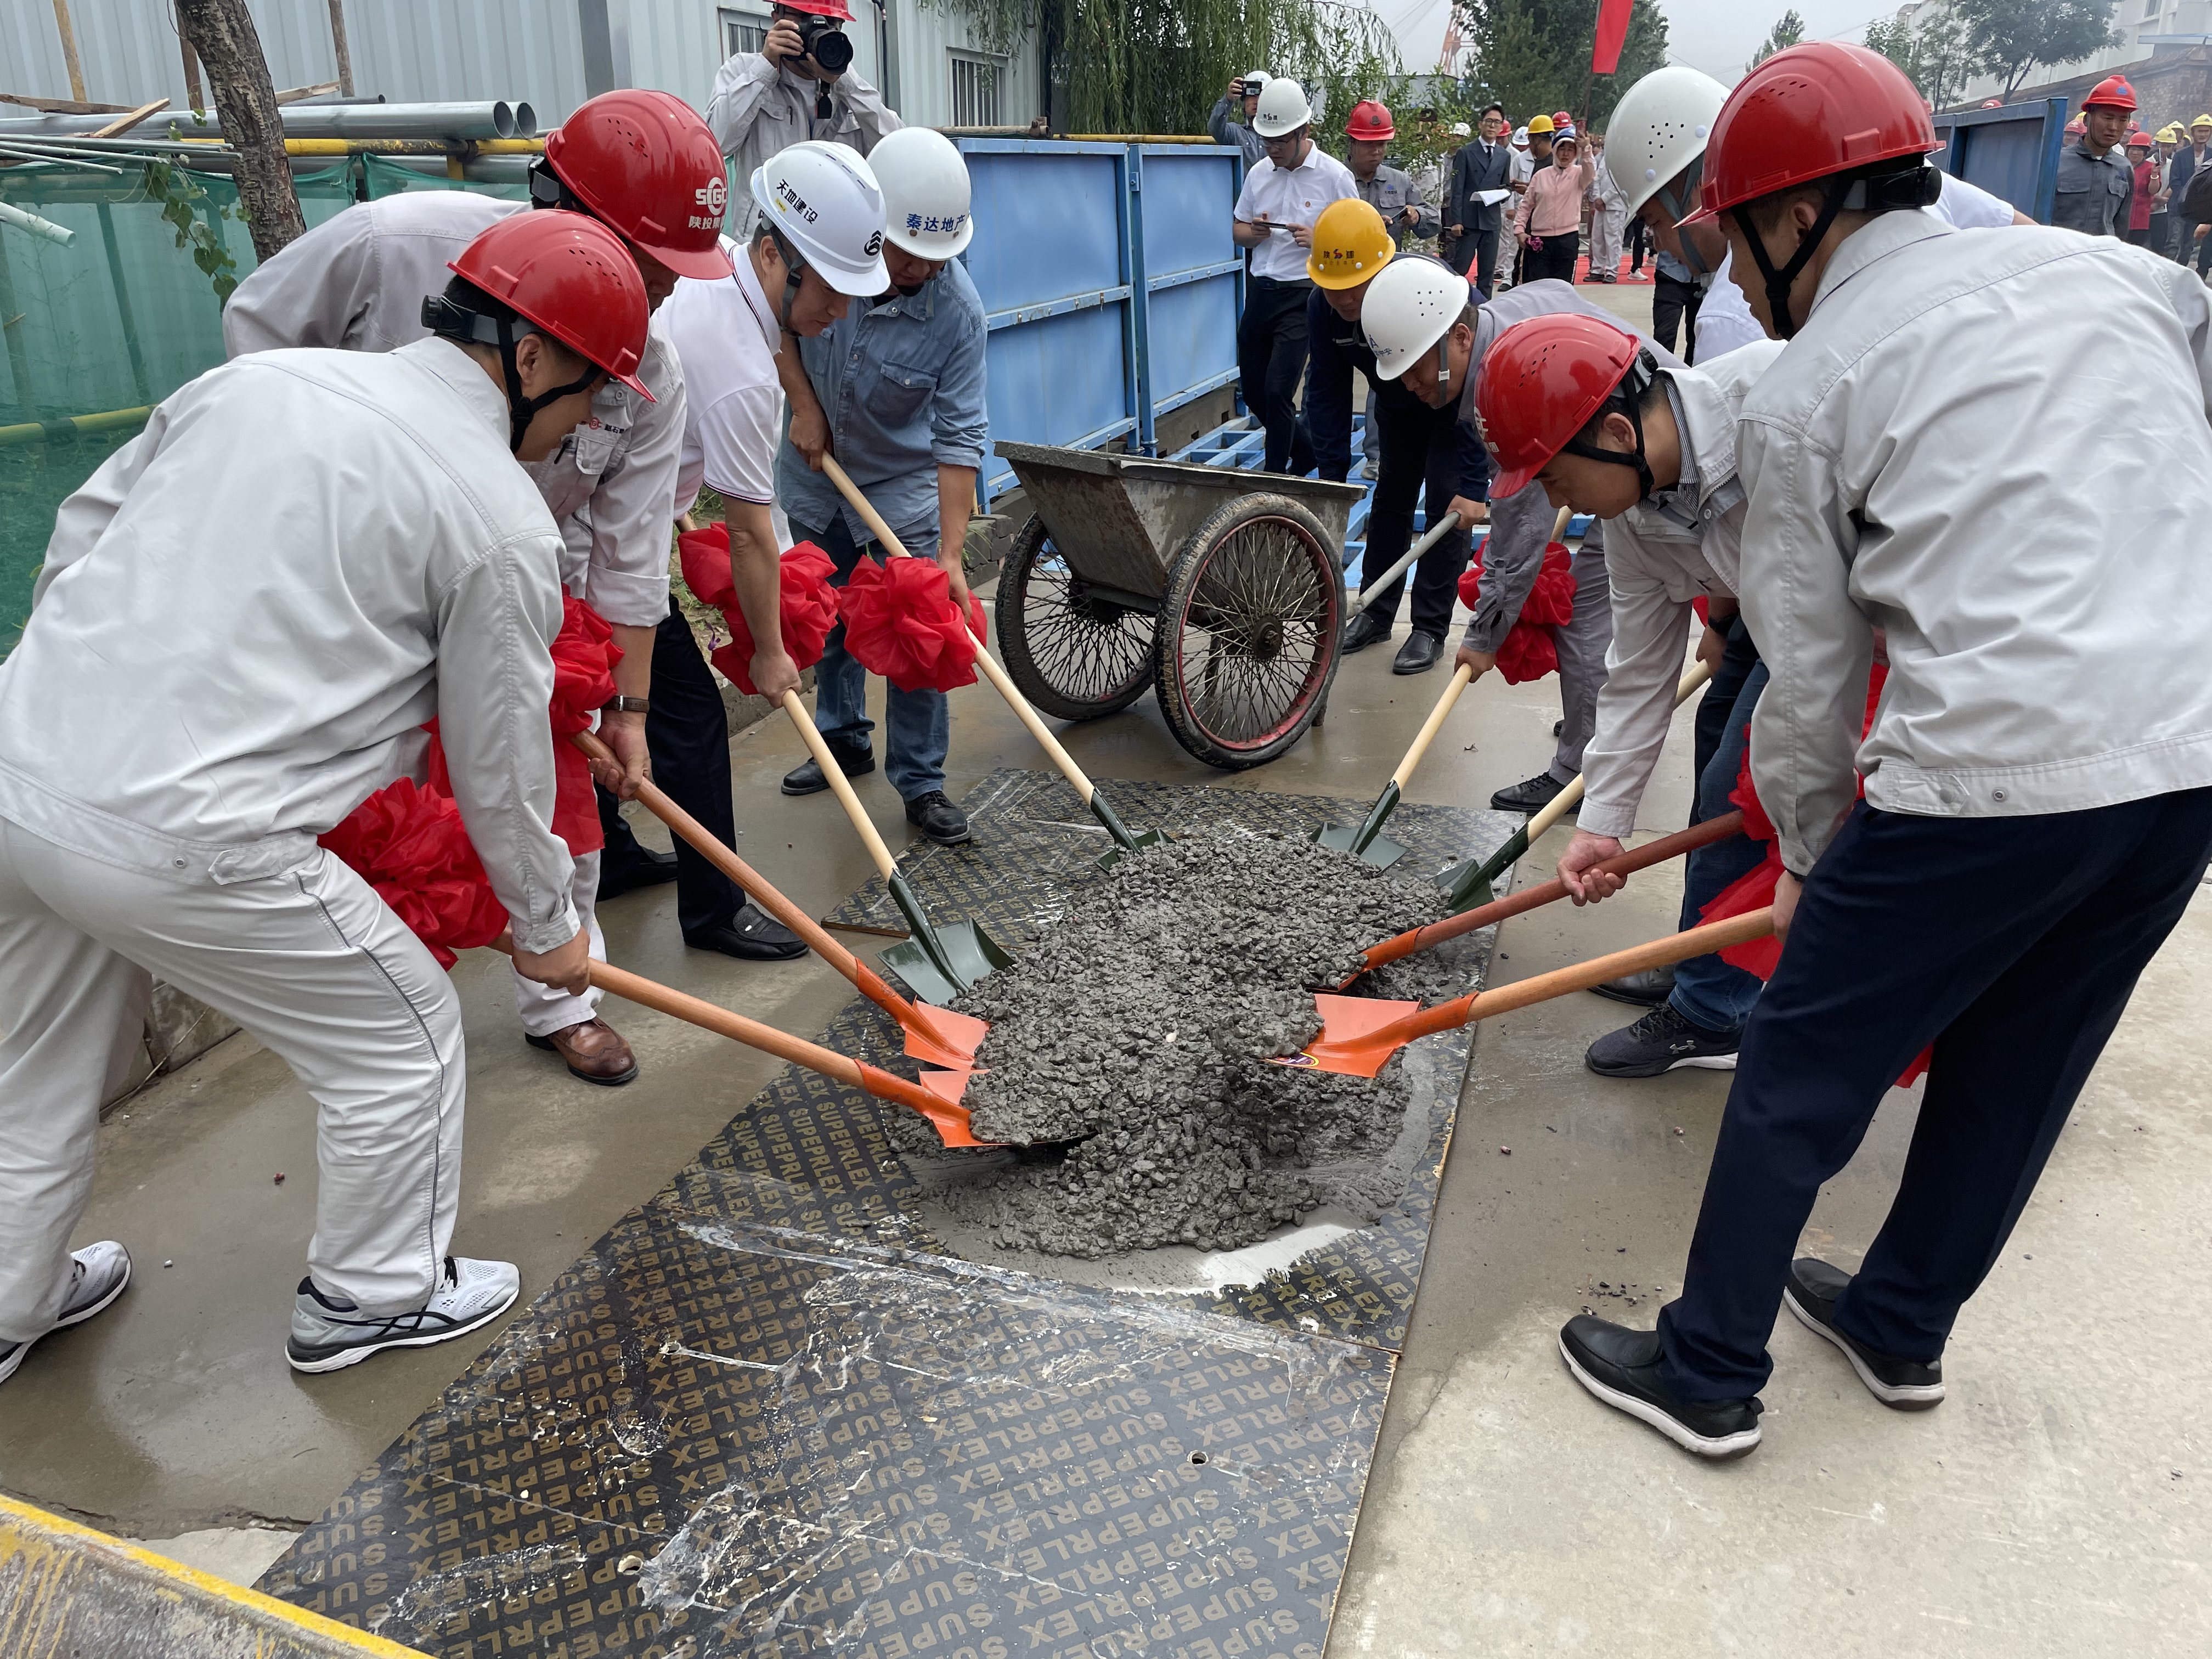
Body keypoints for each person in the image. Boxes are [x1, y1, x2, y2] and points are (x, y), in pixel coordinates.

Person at [1558, 41, 2212, 1462]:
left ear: (1803, 216)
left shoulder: (1810, 382)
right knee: (2018, 1057)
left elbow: (1808, 682)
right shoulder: (2116, 276)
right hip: (2181, 768)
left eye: (1732, 238)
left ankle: (1708, 1367)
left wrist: (1806, 856)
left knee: (1798, 1054)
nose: (1725, 280)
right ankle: (1903, 1322)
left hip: (1986, 768)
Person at [0, 212, 654, 1386]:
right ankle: (374, 1295)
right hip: (192, 828)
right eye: (592, 401)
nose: (580, 437)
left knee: (28, 1071)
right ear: (533, 357)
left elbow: (79, 538)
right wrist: (549, 930)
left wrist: (77, 710)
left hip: (20, 769)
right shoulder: (496, 517)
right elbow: (500, 770)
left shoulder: (257, 384)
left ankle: (8, 1300)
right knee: (400, 1037)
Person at [224, 92, 809, 1096]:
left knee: (557, 805)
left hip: (524, 595)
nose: (668, 295)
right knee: (377, 825)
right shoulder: (391, 247)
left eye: (677, 274)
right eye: (654, 269)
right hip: (352, 589)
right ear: (578, 226)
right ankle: (380, 1024)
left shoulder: (650, 376)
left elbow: (629, 559)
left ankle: (564, 998)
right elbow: (257, 349)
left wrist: (624, 709)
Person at [1476, 311, 1788, 1084]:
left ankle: (1714, 1012)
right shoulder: (1631, 520)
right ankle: (1700, 961)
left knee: (1738, 787)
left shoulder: (1783, 418)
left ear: (1616, 434)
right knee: (1719, 749)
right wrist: (1603, 825)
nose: (1562, 501)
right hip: (1759, 598)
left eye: (1554, 476)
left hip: (1854, 615)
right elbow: (1641, 673)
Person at [1362, 259, 1685, 812]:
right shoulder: (1503, 320)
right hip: (1638, 439)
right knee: (1604, 609)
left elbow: (1524, 529)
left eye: (1416, 368)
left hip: (1652, 462)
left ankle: (1578, 772)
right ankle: (1599, 727)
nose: (1410, 386)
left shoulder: (1507, 377)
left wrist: (1484, 636)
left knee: (1584, 610)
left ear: (1460, 337)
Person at [661, 144, 884, 835]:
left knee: (625, 703)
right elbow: (751, 534)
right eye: (831, 289)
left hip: (620, 503)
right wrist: (769, 653)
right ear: (772, 258)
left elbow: (761, 535)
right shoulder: (743, 378)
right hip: (603, 528)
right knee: (689, 716)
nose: (841, 311)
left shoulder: (723, 260)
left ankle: (615, 852)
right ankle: (717, 910)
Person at [775, 131, 988, 847]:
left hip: (899, 482)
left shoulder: (958, 315)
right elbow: (767, 320)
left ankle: (922, 782)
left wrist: (951, 556)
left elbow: (959, 441)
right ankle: (840, 739)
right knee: (825, 613)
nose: (918, 270)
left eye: (935, 257)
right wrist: (803, 404)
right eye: (903, 254)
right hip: (814, 468)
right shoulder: (824, 251)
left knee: (918, 628)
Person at [1306, 202, 1485, 674]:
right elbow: (1326, 389)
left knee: (1449, 507)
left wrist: (1474, 478)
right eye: (1332, 289)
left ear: (1383, 267)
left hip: (1453, 404)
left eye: (1355, 287)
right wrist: (1330, 478)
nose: (1344, 300)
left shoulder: (1425, 285)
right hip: (1398, 406)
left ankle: (1428, 627)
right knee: (1390, 501)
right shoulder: (1323, 313)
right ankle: (1376, 613)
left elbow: (1480, 367)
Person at [1231, 77, 1358, 476]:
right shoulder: (1258, 174)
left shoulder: (1334, 177)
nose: (1272, 149)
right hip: (1261, 292)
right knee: (1253, 391)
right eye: (1266, 141)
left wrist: (1321, 240)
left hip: (1304, 294)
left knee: (1277, 391)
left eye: (1280, 142)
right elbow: (1236, 230)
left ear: (1304, 132)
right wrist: (1254, 233)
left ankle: (1273, 481)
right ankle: (1305, 452)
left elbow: (1358, 238)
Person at [707, 0, 901, 240]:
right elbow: (715, 143)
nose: (816, 27)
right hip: (761, 247)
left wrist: (844, 82)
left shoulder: (851, 90)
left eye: (829, 22)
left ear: (840, 27)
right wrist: (765, 69)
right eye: (804, 17)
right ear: (776, 17)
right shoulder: (744, 71)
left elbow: (898, 154)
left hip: (831, 248)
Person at [2052, 77, 2137, 238]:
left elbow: (2121, 226)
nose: (2113, 127)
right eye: (2108, 118)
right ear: (2087, 119)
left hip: (2101, 259)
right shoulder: (2057, 163)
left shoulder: (2124, 169)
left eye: (2122, 120)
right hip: (2059, 256)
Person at [1512, 124, 1594, 285]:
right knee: (1537, 286)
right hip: (1540, 241)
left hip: (1567, 240)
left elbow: (1590, 172)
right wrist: (1519, 230)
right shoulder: (1541, 176)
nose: (1565, 154)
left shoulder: (1579, 175)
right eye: (1562, 149)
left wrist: (1587, 149)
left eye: (1571, 150)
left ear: (1575, 153)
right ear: (1555, 149)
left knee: (1562, 288)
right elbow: (1526, 205)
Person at [1447, 104, 1513, 296]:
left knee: (1487, 272)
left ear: (1502, 127)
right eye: (1489, 121)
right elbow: (1457, 188)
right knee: (1461, 269)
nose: (1492, 126)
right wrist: (1456, 220)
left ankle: (1485, 311)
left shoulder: (1504, 155)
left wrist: (1503, 193)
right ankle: (1455, 304)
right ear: (1481, 125)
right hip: (1469, 220)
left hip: (1491, 220)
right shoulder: (1466, 152)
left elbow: (1506, 185)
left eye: (1497, 122)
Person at [1587, 133, 1627, 282]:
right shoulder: (1604, 159)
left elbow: (1621, 183)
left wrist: (1604, 199)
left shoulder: (1623, 161)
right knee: (1598, 238)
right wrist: (1597, 198)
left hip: (1615, 205)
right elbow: (1596, 179)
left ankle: (1612, 271)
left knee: (1613, 240)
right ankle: (1597, 269)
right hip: (1600, 206)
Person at [2170, 115, 2211, 260]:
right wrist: (2186, 198)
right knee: (2173, 243)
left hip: (2199, 210)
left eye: (2206, 131)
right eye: (2200, 131)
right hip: (2179, 208)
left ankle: (2182, 274)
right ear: (2193, 133)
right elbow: (2174, 181)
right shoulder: (2181, 155)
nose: (2203, 134)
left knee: (2189, 244)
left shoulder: (2211, 155)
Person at [1209, 71, 1270, 167]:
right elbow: (1215, 128)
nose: (1257, 101)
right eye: (1252, 95)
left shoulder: (1281, 135)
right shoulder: (1235, 133)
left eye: (1262, 96)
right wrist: (1228, 99)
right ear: (1244, 102)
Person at [2127, 130, 2161, 245]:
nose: (2135, 153)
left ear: (2145, 152)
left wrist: (2154, 175)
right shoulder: (2122, 165)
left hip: (2140, 220)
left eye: (2139, 150)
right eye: (2132, 149)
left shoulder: (2151, 168)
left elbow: (2153, 191)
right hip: (2120, 218)